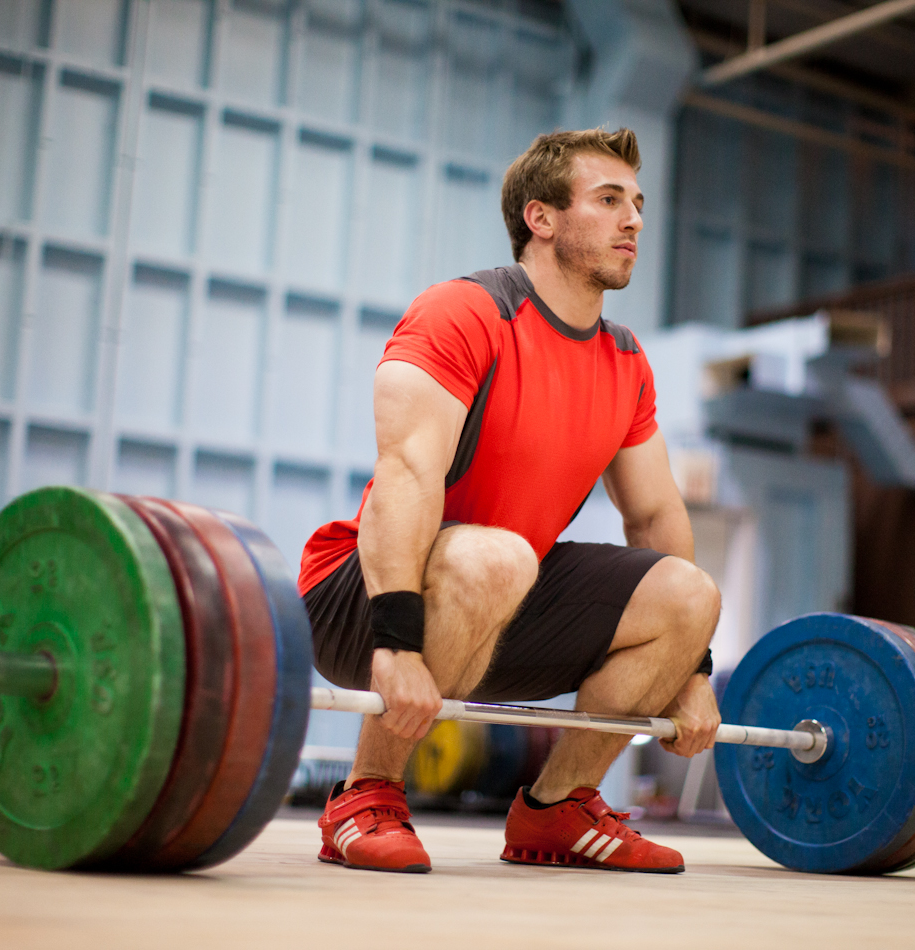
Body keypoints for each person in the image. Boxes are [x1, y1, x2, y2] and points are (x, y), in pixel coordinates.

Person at [297, 128, 722, 875]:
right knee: (496, 555)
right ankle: (364, 796)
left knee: (688, 594)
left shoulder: (624, 360)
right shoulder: (463, 312)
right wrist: (396, 642)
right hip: (364, 597)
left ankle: (557, 808)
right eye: (609, 200)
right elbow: (407, 475)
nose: (634, 222)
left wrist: (691, 672)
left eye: (638, 204)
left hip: (505, 597)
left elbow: (653, 517)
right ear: (541, 218)